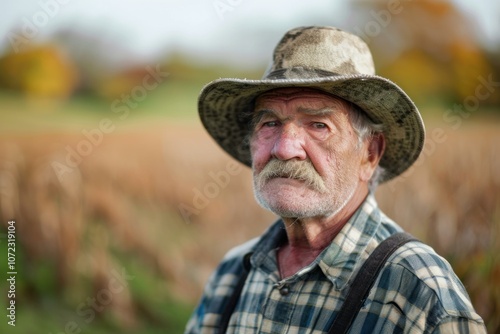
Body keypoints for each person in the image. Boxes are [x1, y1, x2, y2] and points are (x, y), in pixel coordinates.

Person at [185, 26, 486, 333]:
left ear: (370, 153)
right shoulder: (233, 274)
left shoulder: (421, 295)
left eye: (318, 125)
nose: (285, 148)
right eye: (270, 123)